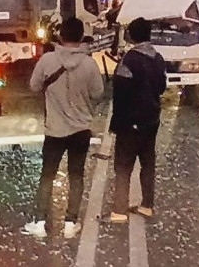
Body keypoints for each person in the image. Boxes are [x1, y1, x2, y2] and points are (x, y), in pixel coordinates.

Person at [23, 17, 105, 239]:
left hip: (54, 130)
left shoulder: (47, 61)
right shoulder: (89, 64)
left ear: (61, 36)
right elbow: (98, 94)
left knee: (47, 175)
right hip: (80, 130)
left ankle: (40, 222)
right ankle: (71, 222)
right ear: (81, 38)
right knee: (76, 175)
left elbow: (34, 86)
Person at [109, 17, 166, 223]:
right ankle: (147, 205)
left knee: (123, 165)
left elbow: (120, 92)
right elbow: (161, 87)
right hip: (151, 119)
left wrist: (116, 122)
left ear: (131, 35)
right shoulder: (157, 58)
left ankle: (119, 210)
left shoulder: (130, 59)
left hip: (130, 122)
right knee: (147, 162)